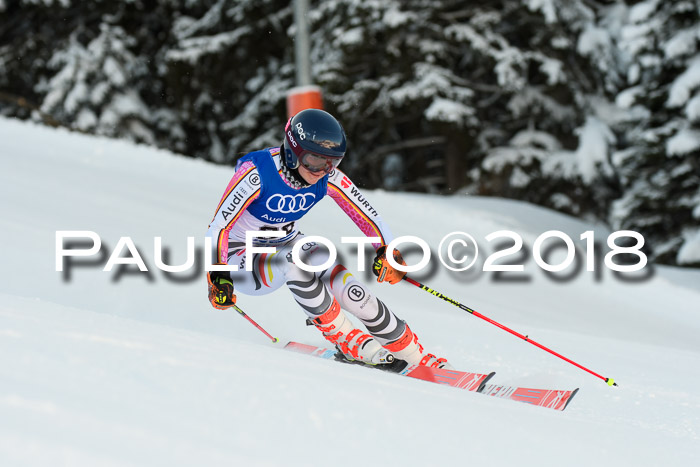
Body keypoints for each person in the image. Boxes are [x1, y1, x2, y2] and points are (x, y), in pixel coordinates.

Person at [205, 108, 451, 370]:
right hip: (241, 259)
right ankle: (347, 340)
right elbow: (220, 225)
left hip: (285, 244)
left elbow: (366, 214)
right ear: (293, 151)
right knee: (292, 262)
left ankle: (411, 352)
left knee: (322, 256)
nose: (323, 170)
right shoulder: (256, 174)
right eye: (315, 160)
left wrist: (385, 251)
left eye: (332, 162)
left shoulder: (326, 176)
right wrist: (219, 276)